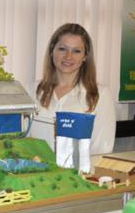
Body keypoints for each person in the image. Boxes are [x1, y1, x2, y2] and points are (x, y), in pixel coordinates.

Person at [34, 23, 115, 170]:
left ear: (85, 56)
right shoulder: (32, 91)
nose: (68, 56)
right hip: (35, 176)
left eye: (76, 51)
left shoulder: (100, 95)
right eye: (62, 49)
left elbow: (101, 150)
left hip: (78, 179)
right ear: (52, 51)